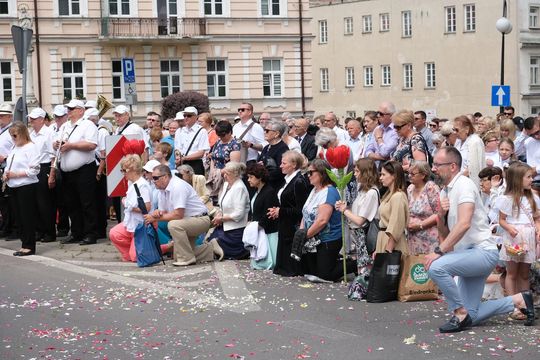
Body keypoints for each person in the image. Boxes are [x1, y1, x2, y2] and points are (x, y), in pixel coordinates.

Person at [425, 146, 535, 333]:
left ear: (453, 166)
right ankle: (519, 300)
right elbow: (444, 230)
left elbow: (464, 223)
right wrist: (440, 214)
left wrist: (439, 251)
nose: (433, 168)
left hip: (482, 252)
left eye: (437, 164)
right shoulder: (445, 191)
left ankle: (459, 312)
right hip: (467, 254)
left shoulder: (464, 185)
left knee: (436, 266)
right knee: (472, 316)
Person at [145, 165, 223, 266]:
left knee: (173, 225)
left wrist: (155, 218)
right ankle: (210, 249)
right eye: (152, 178)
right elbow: (163, 212)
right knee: (177, 256)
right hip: (189, 220)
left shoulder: (177, 186)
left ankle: (187, 259)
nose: (153, 181)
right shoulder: (162, 190)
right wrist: (157, 213)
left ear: (165, 177)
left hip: (200, 219)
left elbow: (178, 215)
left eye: (155, 178)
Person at [109, 155, 172, 262]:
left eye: (124, 170)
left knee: (136, 257)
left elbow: (146, 207)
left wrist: (127, 204)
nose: (123, 173)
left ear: (132, 170)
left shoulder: (142, 185)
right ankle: (135, 251)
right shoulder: (131, 183)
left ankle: (166, 247)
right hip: (132, 223)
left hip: (142, 225)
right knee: (114, 233)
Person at [300, 159, 354, 282]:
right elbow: (306, 212)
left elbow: (322, 221)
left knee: (325, 274)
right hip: (314, 238)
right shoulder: (314, 190)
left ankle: (353, 264)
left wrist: (305, 236)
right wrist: (302, 232)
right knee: (309, 271)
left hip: (328, 238)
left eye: (311, 173)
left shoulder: (329, 192)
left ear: (321, 173)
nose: (308, 176)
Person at [498, 162, 540, 319]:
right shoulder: (507, 199)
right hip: (513, 237)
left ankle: (526, 305)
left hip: (528, 238)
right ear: (517, 179)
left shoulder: (533, 198)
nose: (531, 180)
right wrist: (509, 228)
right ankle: (514, 306)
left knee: (524, 273)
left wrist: (538, 230)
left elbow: (537, 218)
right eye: (528, 177)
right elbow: (501, 220)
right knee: (512, 273)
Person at [56, 99, 99, 245]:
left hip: (84, 169)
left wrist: (71, 146)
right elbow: (56, 142)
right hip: (68, 171)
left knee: (87, 203)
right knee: (72, 204)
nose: (69, 111)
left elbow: (92, 144)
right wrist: (56, 144)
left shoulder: (88, 125)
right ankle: (76, 232)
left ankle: (90, 234)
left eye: (72, 108)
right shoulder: (65, 126)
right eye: (68, 108)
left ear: (81, 110)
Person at [268, 150, 310, 277]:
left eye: (283, 163)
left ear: (293, 165)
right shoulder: (288, 179)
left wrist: (281, 211)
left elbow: (301, 209)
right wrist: (278, 210)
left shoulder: (298, 182)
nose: (280, 166)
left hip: (292, 225)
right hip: (285, 222)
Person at [335, 158, 379, 275]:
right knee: (361, 267)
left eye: (357, 171)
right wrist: (345, 207)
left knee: (365, 269)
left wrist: (344, 211)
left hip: (364, 234)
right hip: (357, 235)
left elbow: (360, 220)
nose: (355, 174)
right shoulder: (362, 190)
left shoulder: (372, 193)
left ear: (365, 173)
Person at [4, 122, 40, 256]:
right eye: (11, 135)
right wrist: (6, 174)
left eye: (14, 135)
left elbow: (35, 169)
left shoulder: (30, 147)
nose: (12, 138)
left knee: (27, 217)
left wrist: (16, 174)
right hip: (13, 186)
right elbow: (10, 164)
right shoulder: (14, 147)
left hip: (26, 186)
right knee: (18, 217)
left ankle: (29, 245)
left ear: (22, 134)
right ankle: (24, 243)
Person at [210, 162, 250, 259]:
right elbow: (222, 204)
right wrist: (219, 214)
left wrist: (222, 219)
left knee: (215, 244)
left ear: (235, 174)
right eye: (224, 173)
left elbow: (239, 214)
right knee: (210, 242)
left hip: (235, 228)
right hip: (224, 225)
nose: (224, 175)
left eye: (227, 173)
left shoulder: (239, 187)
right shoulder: (226, 185)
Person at [28, 108, 56, 243]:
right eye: (31, 119)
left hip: (44, 168)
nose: (31, 121)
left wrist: (51, 175)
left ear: (41, 119)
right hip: (34, 169)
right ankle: (40, 231)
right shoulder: (32, 134)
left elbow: (53, 156)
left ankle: (50, 232)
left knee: (45, 203)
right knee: (35, 203)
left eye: (34, 119)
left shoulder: (49, 133)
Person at [246, 163, 279, 269]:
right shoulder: (257, 191)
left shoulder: (269, 192)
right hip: (259, 229)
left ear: (259, 178)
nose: (248, 180)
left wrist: (256, 226)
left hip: (268, 232)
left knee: (270, 261)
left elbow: (268, 214)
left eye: (251, 177)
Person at [407, 160, 440, 255]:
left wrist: (420, 225)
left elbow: (438, 213)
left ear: (423, 175)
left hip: (429, 237)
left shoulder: (431, 188)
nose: (409, 176)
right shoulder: (409, 188)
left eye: (413, 174)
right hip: (413, 238)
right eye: (409, 173)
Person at [376, 160, 409, 254]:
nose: (381, 178)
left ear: (394, 176)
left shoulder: (398, 196)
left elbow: (396, 225)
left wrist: (388, 249)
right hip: (384, 239)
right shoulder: (389, 195)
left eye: (383, 175)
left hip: (392, 244)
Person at [453, 115, 486, 188]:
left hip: (469, 183)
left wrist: (456, 179)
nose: (455, 132)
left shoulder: (475, 142)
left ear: (467, 129)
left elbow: (472, 168)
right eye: (453, 129)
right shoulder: (458, 141)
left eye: (457, 130)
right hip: (457, 181)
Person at [175, 106, 209, 175]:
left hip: (195, 163)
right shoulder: (179, 131)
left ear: (196, 117)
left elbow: (201, 153)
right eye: (184, 115)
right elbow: (177, 149)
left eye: (189, 115)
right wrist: (178, 158)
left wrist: (184, 158)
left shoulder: (202, 131)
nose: (186, 117)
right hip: (182, 163)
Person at [258, 120, 289, 190]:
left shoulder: (283, 148)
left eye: (267, 131)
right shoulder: (266, 147)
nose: (264, 132)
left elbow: (281, 170)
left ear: (276, 134)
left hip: (275, 186)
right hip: (265, 184)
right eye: (264, 130)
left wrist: (263, 173)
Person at [0, 103, 15, 239]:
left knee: (9, 200)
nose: (0, 118)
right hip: (1, 168)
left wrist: (5, 157)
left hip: (8, 167)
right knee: (3, 201)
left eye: (3, 116)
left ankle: (12, 228)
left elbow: (19, 149)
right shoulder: (1, 130)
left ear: (10, 117)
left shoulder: (13, 131)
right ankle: (6, 226)